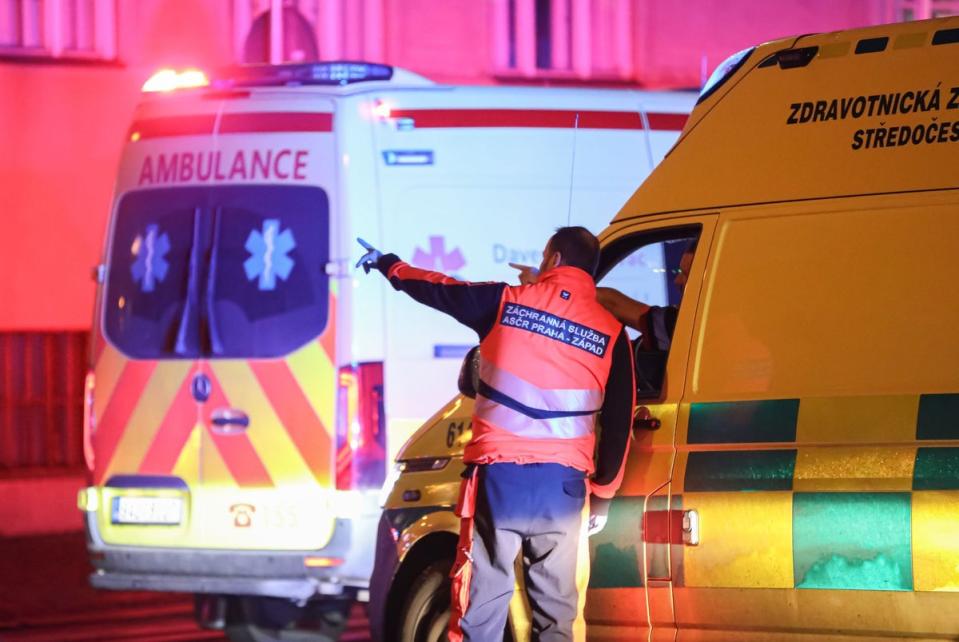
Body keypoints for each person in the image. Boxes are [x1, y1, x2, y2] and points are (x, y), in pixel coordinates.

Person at [356, 227, 635, 642]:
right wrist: (605, 493)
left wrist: (389, 265)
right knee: (557, 615)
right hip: (564, 489)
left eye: (544, 257)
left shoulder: (505, 302)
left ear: (554, 260)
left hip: (500, 481)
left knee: (482, 606)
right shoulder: (611, 332)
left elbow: (442, 290)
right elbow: (619, 418)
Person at [595, 238, 697, 352]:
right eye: (679, 272)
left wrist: (578, 287)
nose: (677, 281)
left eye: (686, 275)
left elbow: (613, 303)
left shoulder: (687, 326)